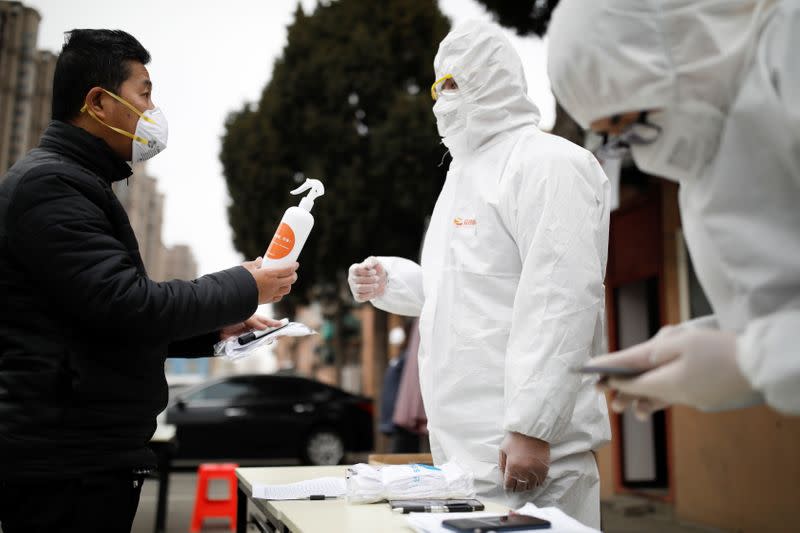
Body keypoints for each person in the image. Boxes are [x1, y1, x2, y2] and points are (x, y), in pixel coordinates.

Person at [0, 29, 298, 533]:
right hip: (64, 464)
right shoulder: (51, 186)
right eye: (144, 93)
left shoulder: (77, 181)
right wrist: (244, 284)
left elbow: (102, 320)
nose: (153, 110)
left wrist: (216, 328)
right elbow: (126, 305)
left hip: (81, 456)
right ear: (98, 102)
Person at [349, 20, 611, 527]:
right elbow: (463, 290)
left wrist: (533, 427)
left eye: (455, 83)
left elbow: (561, 299)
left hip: (532, 457)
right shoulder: (462, 176)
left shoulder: (549, 163)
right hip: (462, 458)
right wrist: (392, 281)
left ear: (495, 79)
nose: (441, 98)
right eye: (437, 85)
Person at [547, 0, 799, 417]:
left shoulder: (788, 48)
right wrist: (696, 352)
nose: (641, 155)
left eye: (627, 120)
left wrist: (750, 361)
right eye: (617, 136)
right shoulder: (701, 168)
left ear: (673, 51)